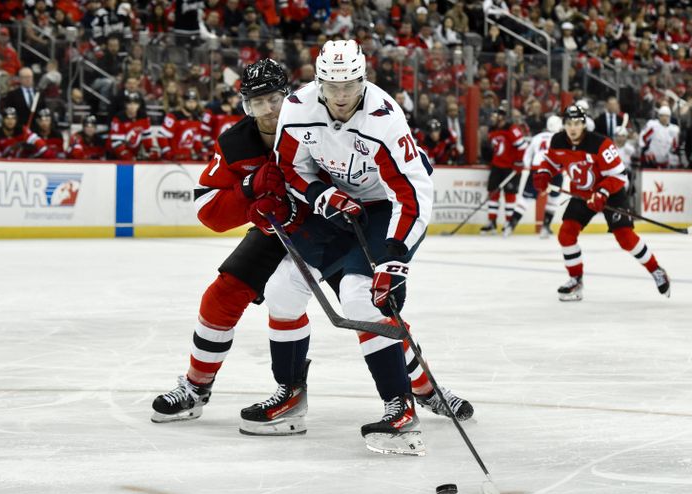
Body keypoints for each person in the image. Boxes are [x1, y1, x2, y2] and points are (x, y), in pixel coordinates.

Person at [239, 40, 471, 456]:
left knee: (362, 301)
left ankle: (400, 408)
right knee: (282, 291)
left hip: (383, 206)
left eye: (350, 86)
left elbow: (413, 194)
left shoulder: (385, 118)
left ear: (363, 80)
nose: (341, 96)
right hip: (334, 208)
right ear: (318, 82)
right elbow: (291, 167)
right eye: (332, 86)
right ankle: (290, 394)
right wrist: (320, 195)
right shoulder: (297, 108)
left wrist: (395, 258)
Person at [150, 59, 302, 423]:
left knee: (367, 300)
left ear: (289, 97)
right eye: (256, 103)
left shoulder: (314, 125)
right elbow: (209, 211)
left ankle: (416, 387)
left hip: (326, 230)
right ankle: (196, 387)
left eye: (274, 100)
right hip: (275, 232)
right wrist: (249, 189)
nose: (267, 111)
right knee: (219, 298)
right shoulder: (235, 143)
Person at [533, 104, 670, 301]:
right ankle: (575, 280)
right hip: (582, 194)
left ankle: (656, 270)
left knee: (625, 237)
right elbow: (552, 162)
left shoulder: (600, 144)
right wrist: (544, 173)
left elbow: (619, 176)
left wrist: (602, 192)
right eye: (569, 124)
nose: (573, 128)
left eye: (577, 123)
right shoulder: (558, 140)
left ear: (584, 124)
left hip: (611, 192)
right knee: (566, 234)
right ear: (564, 125)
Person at [504, 115, 563, 238]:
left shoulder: (537, 137)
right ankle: (545, 228)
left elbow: (527, 155)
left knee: (525, 199)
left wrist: (528, 167)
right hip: (555, 171)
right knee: (553, 200)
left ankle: (510, 226)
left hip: (537, 169)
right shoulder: (562, 138)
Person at [482, 104, 528, 235]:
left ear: (501, 117)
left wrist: (519, 163)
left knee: (510, 195)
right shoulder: (492, 130)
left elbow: (523, 147)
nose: (492, 118)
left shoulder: (512, 129)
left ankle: (508, 222)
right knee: (493, 193)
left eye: (495, 115)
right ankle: (491, 222)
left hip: (510, 168)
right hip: (497, 166)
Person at [108, 91, 158, 161]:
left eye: (135, 103)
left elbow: (147, 137)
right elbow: (116, 143)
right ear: (125, 105)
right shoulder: (118, 118)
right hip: (115, 155)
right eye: (130, 103)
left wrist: (151, 151)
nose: (132, 106)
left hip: (134, 153)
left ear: (139, 105)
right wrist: (126, 154)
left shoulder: (144, 117)